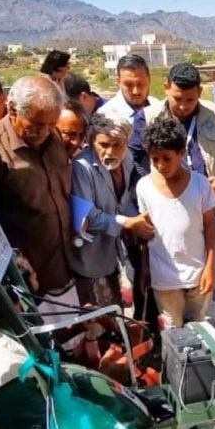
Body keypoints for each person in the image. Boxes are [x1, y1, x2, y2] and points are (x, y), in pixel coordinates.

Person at [132, 62, 215, 301]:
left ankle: (214, 317)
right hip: (167, 211)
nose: (183, 106)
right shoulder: (147, 117)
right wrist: (154, 186)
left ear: (200, 92)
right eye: (177, 99)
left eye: (190, 100)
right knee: (172, 270)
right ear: (166, 88)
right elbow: (133, 158)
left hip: (210, 208)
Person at [0, 75, 75, 307]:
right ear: (12, 109)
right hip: (29, 285)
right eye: (37, 123)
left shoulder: (54, 137)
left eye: (51, 124)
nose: (45, 131)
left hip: (67, 272)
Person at [137, 118, 215, 327]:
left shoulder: (200, 184)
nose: (161, 165)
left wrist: (210, 268)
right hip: (164, 278)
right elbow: (146, 231)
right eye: (155, 159)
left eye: (167, 158)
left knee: (205, 332)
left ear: (181, 153)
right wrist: (145, 267)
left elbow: (211, 225)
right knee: (173, 334)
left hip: (198, 274)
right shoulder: (144, 187)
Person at [69, 112, 154, 306]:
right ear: (92, 141)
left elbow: (125, 200)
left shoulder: (127, 158)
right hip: (88, 257)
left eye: (117, 145)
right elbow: (88, 217)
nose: (110, 152)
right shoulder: (81, 167)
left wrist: (138, 221)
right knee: (95, 316)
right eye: (104, 144)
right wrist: (127, 223)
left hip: (113, 254)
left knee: (116, 312)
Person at [100, 54, 160, 121]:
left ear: (149, 79)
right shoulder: (106, 117)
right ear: (118, 82)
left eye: (141, 84)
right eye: (129, 85)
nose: (136, 91)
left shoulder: (158, 108)